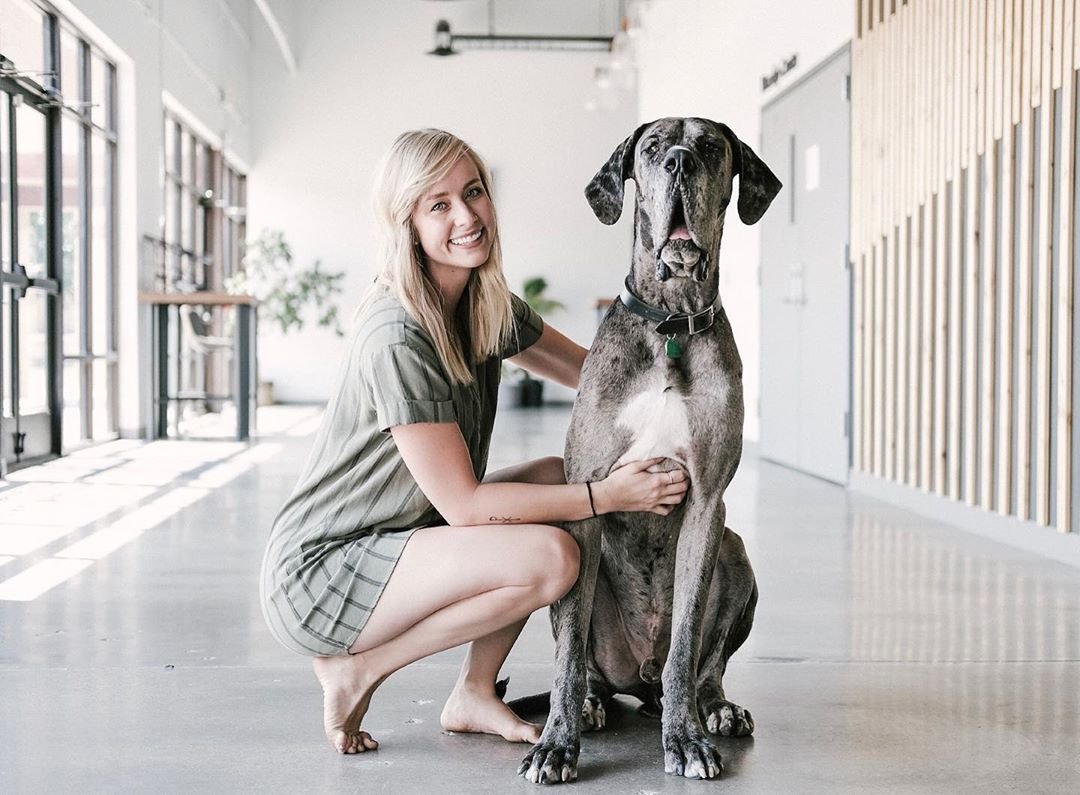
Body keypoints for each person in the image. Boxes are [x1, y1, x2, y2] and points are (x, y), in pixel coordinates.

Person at [259, 128, 690, 755]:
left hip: (396, 535)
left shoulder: (481, 301)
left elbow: (594, 376)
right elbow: (463, 507)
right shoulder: (397, 334)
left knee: (550, 474)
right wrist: (610, 494)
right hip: (325, 567)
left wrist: (684, 367)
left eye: (474, 192)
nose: (467, 216)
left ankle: (474, 693)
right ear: (405, 222)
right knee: (551, 559)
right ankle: (358, 669)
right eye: (438, 205)